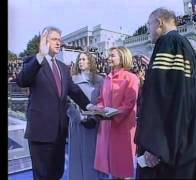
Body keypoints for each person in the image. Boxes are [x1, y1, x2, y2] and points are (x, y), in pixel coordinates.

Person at [16, 26, 99, 180]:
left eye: (59, 40)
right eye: (54, 39)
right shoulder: (33, 62)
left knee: (57, 173)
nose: (58, 43)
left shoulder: (63, 67)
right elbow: (22, 80)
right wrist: (40, 55)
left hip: (59, 133)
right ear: (44, 41)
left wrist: (89, 106)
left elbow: (73, 90)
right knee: (43, 176)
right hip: (40, 134)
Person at [134, 7, 196, 179]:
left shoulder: (167, 43)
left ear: (159, 23)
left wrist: (154, 146)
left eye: (149, 25)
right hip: (184, 137)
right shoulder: (185, 45)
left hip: (166, 147)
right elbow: (179, 92)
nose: (148, 31)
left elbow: (162, 98)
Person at [94, 46, 140, 179]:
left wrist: (112, 115)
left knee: (124, 170)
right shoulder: (107, 78)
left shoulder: (132, 78)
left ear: (123, 57)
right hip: (107, 128)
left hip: (123, 130)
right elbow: (101, 100)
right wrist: (96, 109)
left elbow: (129, 104)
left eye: (112, 55)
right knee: (112, 170)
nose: (109, 58)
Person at [67, 52, 107, 180]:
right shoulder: (72, 80)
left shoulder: (101, 80)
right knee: (78, 157)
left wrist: (95, 118)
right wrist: (77, 117)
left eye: (84, 59)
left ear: (90, 61)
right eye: (79, 59)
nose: (81, 61)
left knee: (93, 156)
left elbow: (103, 101)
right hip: (78, 123)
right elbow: (67, 103)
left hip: (96, 124)